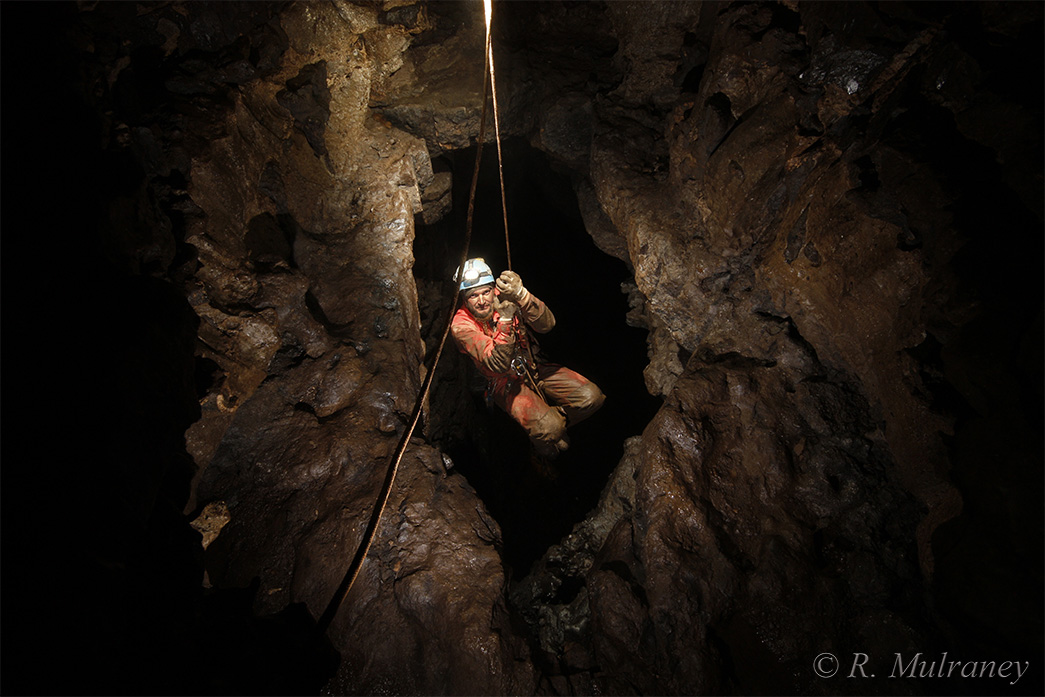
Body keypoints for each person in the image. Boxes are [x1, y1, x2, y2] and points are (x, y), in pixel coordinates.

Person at [450, 257, 605, 460]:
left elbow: (547, 325)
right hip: (504, 382)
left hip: (534, 365)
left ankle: (551, 428)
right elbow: (498, 364)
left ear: (492, 288)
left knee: (591, 398)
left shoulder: (506, 295)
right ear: (464, 298)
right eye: (473, 296)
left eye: (486, 292)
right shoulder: (461, 326)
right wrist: (505, 320)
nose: (482, 301)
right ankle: (545, 437)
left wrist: (522, 295)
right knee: (550, 429)